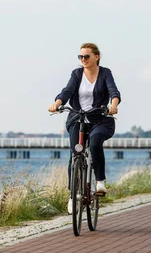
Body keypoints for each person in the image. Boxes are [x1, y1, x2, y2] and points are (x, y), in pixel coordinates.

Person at [48, 43, 121, 214]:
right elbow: (66, 92)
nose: (83, 60)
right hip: (77, 118)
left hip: (100, 119)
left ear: (97, 56)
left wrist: (113, 105)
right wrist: (57, 104)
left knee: (95, 144)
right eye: (80, 57)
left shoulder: (105, 73)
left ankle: (100, 181)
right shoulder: (76, 74)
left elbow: (113, 91)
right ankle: (73, 196)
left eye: (86, 56)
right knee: (75, 154)